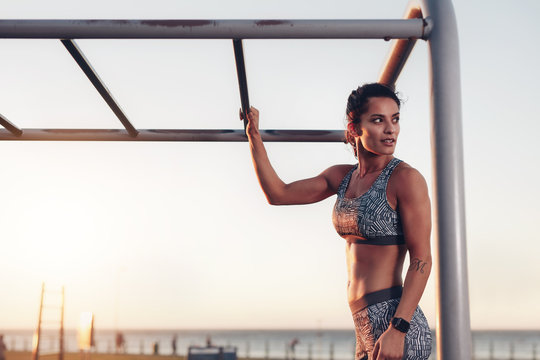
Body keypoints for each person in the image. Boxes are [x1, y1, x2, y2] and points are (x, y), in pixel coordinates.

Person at [242, 83, 432, 360]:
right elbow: (278, 194)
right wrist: (254, 137)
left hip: (395, 323)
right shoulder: (342, 177)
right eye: (378, 120)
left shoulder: (405, 179)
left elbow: (421, 260)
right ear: (355, 129)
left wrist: (399, 328)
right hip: (363, 326)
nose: (391, 129)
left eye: (395, 119)